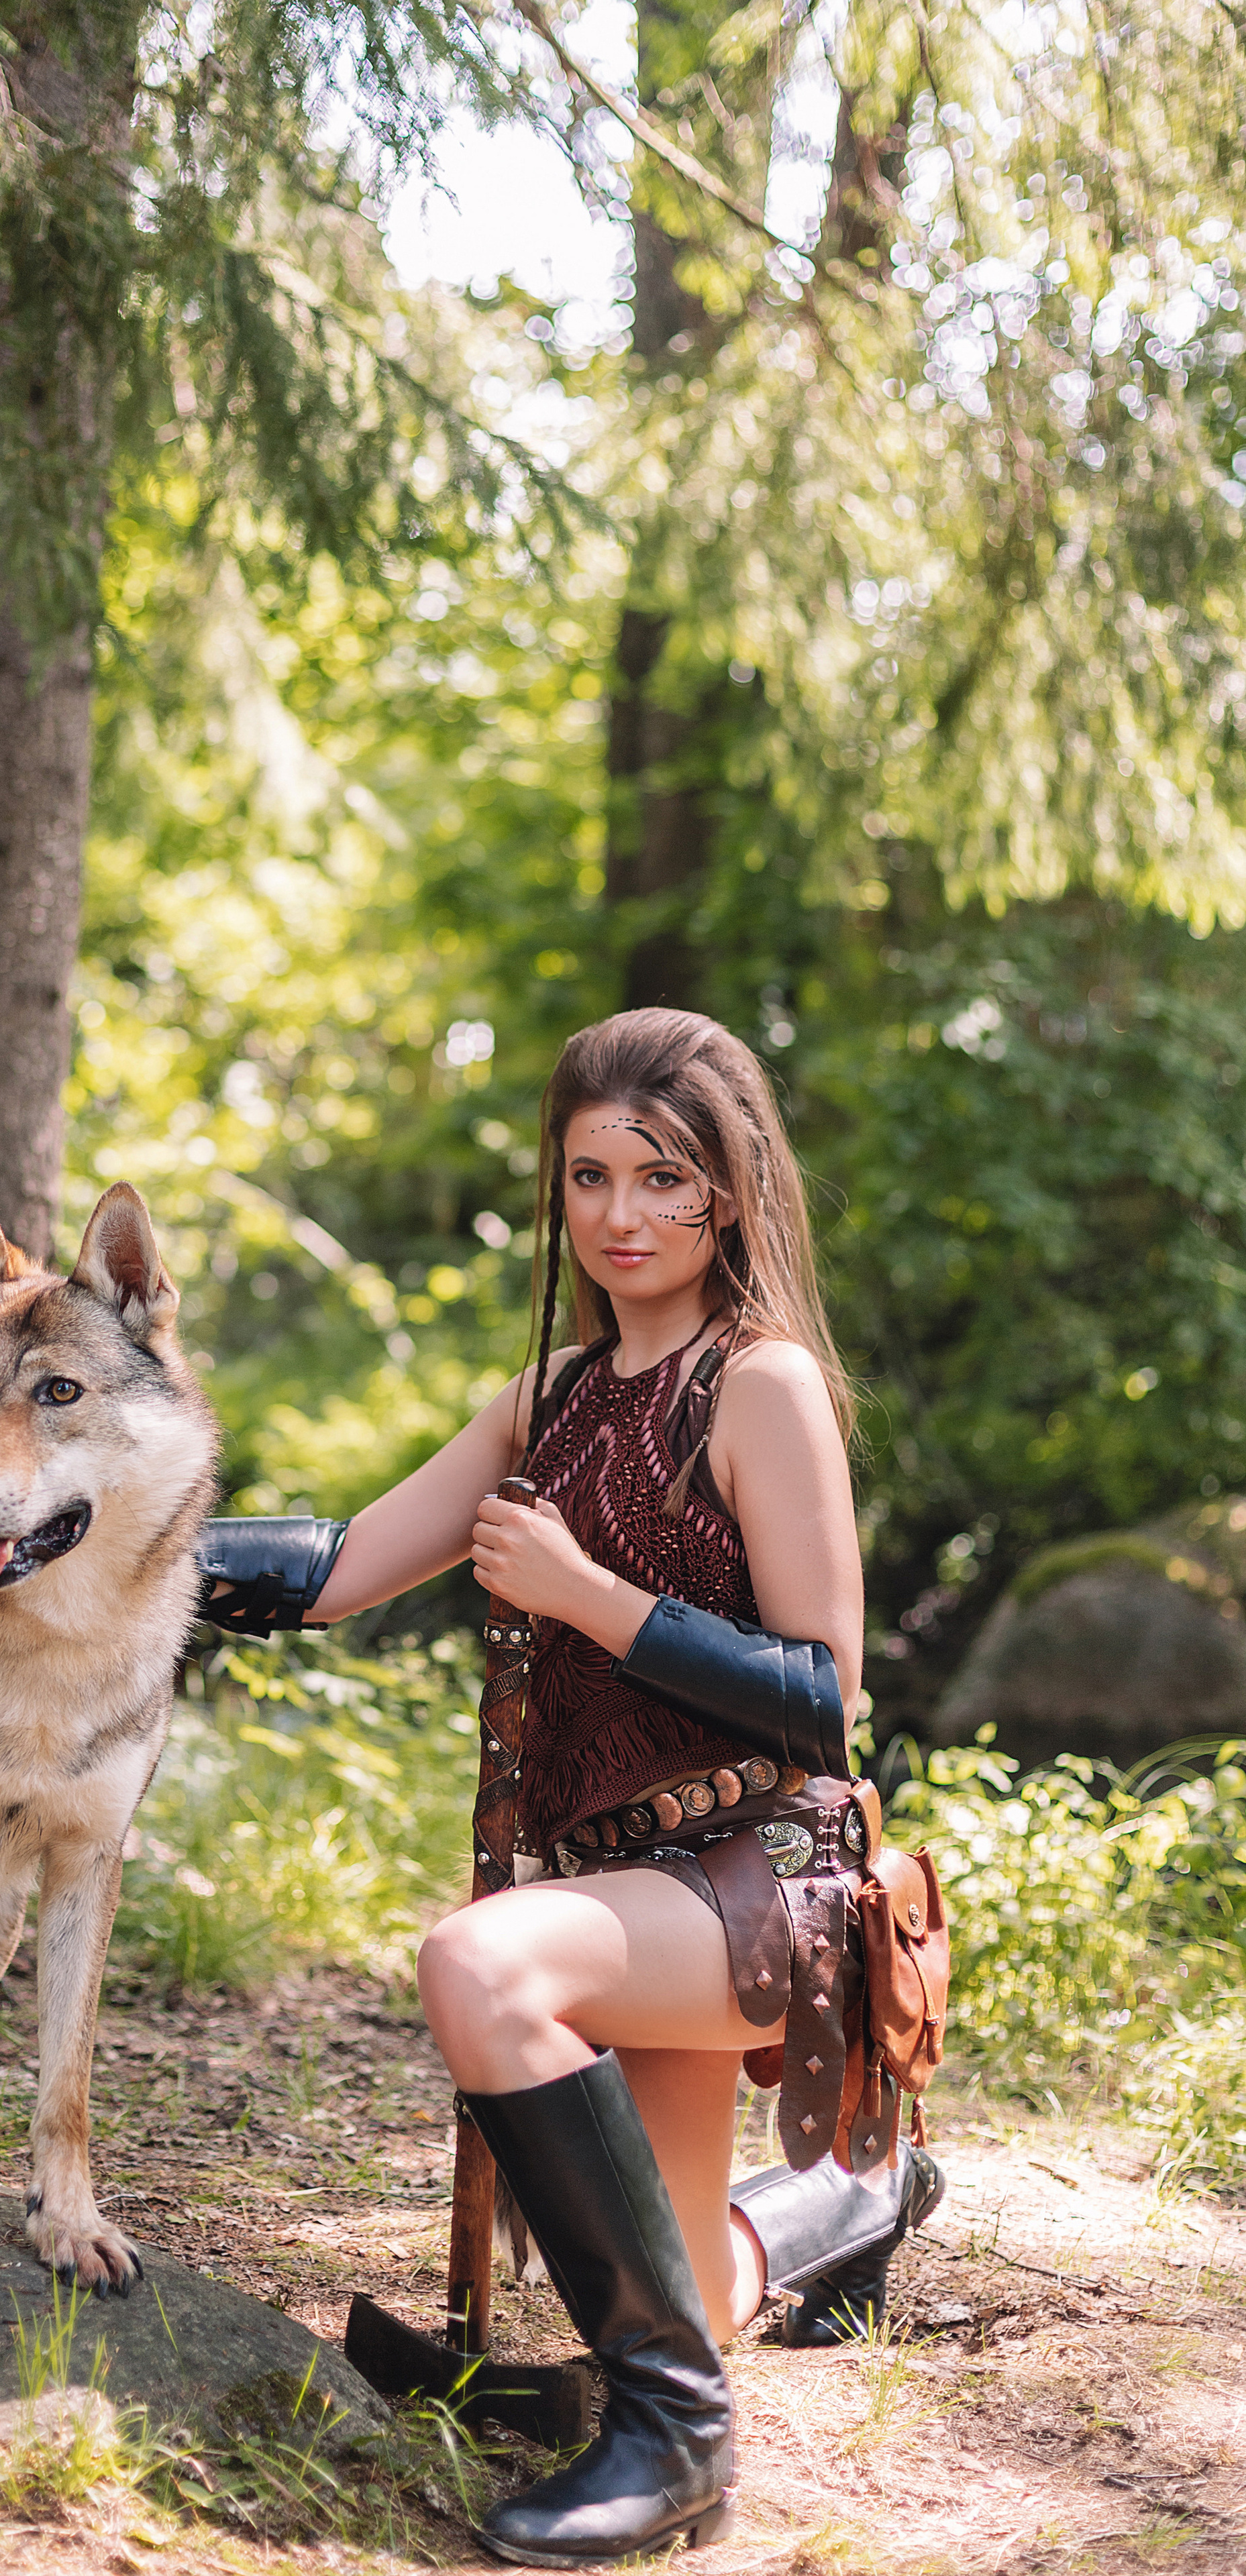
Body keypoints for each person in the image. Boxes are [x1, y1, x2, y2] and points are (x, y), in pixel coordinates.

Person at [197, 1008, 943, 2569]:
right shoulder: (551, 1397)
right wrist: (102, 1549)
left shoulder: (762, 1386)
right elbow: (334, 1571)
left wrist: (589, 1594)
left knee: (479, 1961)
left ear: (727, 1196)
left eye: (660, 1180)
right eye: (590, 1176)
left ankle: (678, 2452)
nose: (617, 1217)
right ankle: (841, 2211)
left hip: (765, 1885)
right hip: (627, 1896)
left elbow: (823, 1700)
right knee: (668, 2302)